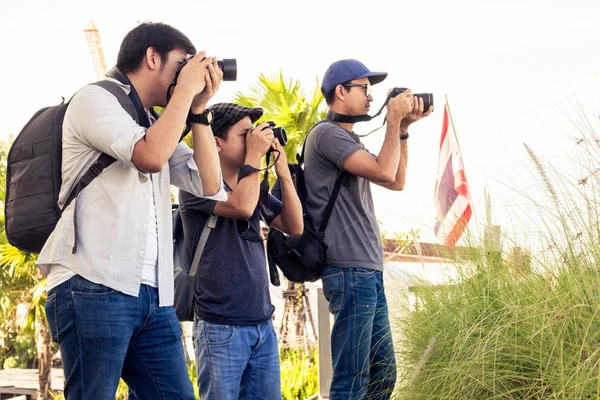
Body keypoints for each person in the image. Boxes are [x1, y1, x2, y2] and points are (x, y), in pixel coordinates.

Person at [38, 22, 227, 399]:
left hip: (153, 296)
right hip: (93, 283)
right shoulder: (95, 99)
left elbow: (208, 184)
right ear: (152, 57)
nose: (189, 73)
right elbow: (151, 156)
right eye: (183, 64)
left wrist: (200, 109)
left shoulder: (156, 122)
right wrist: (185, 91)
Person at [304, 59, 432, 399]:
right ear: (341, 91)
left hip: (366, 270)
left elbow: (397, 180)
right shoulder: (326, 134)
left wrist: (403, 129)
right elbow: (384, 172)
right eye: (364, 89)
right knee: (352, 377)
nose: (372, 98)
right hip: (348, 269)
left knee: (383, 374)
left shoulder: (348, 138)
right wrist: (392, 120)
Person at [179, 102, 303, 399]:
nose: (254, 141)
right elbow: (241, 206)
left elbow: (294, 225)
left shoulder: (253, 185)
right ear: (216, 143)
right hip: (220, 327)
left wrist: (283, 174)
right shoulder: (197, 184)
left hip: (261, 324)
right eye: (245, 135)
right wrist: (254, 158)